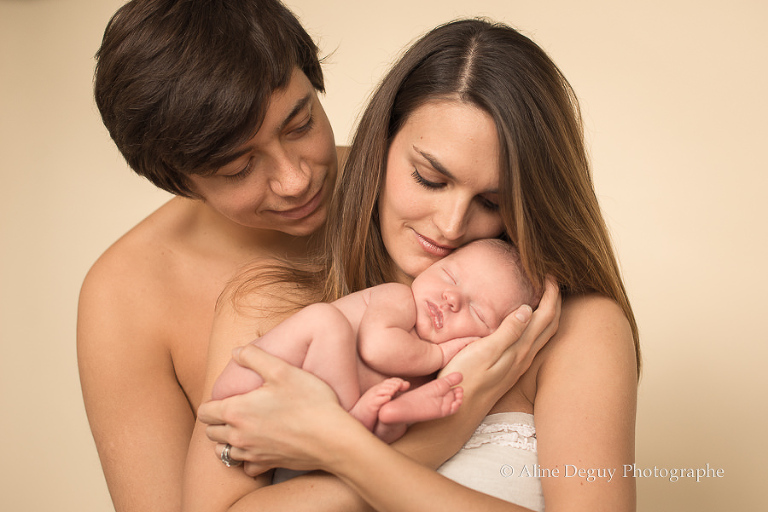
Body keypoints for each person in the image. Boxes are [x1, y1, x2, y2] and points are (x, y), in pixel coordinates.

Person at [77, 2, 557, 512]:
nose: (296, 180)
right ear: (176, 180)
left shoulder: (422, 197)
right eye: (240, 168)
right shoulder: (127, 296)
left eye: (300, 124)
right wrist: (433, 440)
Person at [189, 17, 639, 512]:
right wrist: (442, 432)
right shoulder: (268, 305)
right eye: (430, 178)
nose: (449, 225)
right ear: (379, 146)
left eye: (492, 201)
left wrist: (339, 446)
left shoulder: (572, 332)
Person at [212, 239, 540, 445]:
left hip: (296, 433)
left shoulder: (424, 373)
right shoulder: (399, 301)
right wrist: (438, 353)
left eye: (478, 312)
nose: (452, 297)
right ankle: (348, 424)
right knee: (325, 320)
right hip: (251, 382)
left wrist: (399, 414)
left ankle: (363, 422)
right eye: (448, 276)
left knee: (395, 414)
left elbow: (387, 444)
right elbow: (376, 348)